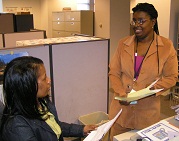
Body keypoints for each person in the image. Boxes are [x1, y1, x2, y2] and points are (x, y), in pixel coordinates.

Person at [108, 2, 178, 140]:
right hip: (121, 111)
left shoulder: (166, 46)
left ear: (153, 22)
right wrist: (121, 93)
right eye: (134, 20)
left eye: (141, 21)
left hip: (147, 112)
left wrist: (152, 88)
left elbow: (172, 77)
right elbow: (114, 72)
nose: (136, 25)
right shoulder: (123, 43)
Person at [0, 56, 97, 141]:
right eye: (44, 78)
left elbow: (54, 127)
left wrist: (82, 130)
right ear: (28, 86)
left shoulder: (42, 102)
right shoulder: (16, 127)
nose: (49, 80)